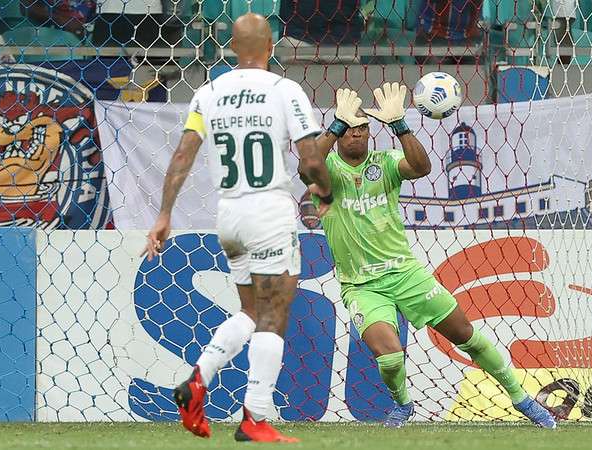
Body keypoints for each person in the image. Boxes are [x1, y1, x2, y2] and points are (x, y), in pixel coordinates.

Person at [308, 83, 558, 429]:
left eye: (363, 128)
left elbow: (421, 167)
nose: (357, 134)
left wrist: (399, 124)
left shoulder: (386, 161)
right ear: (337, 134)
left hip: (406, 274)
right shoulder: (328, 172)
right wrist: (336, 123)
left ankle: (522, 398)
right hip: (362, 285)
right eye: (349, 129)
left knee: (466, 334)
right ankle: (404, 405)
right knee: (391, 358)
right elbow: (308, 168)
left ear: (370, 133)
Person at [142, 12, 332, 444]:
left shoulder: (208, 93)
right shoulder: (285, 90)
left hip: (228, 214)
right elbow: (312, 160)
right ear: (271, 48)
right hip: (269, 209)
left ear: (231, 49)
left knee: (251, 311)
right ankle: (255, 418)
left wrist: (164, 215)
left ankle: (197, 380)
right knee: (274, 317)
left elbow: (182, 157)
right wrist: (326, 193)